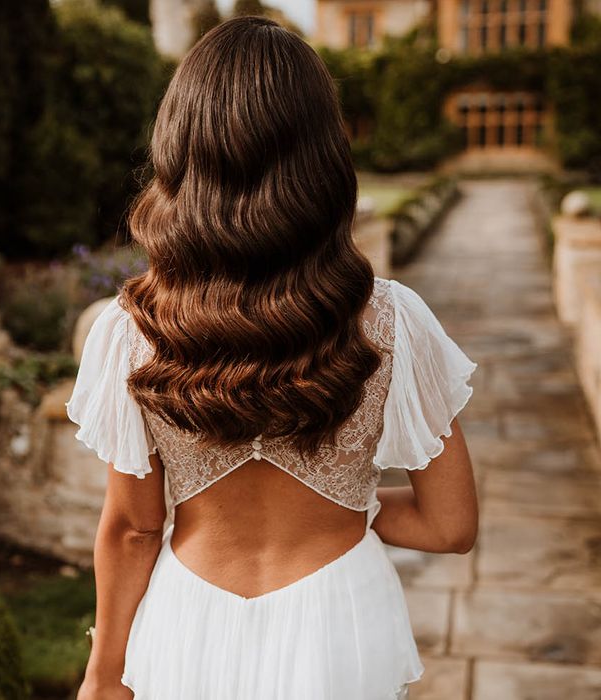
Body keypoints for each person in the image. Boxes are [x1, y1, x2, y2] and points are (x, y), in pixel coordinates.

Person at [66, 15, 478, 700]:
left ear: (183, 152)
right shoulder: (393, 320)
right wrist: (346, 499)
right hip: (341, 622)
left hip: (186, 623)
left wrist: (104, 677)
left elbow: (134, 529)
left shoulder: (130, 330)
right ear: (320, 155)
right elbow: (451, 524)